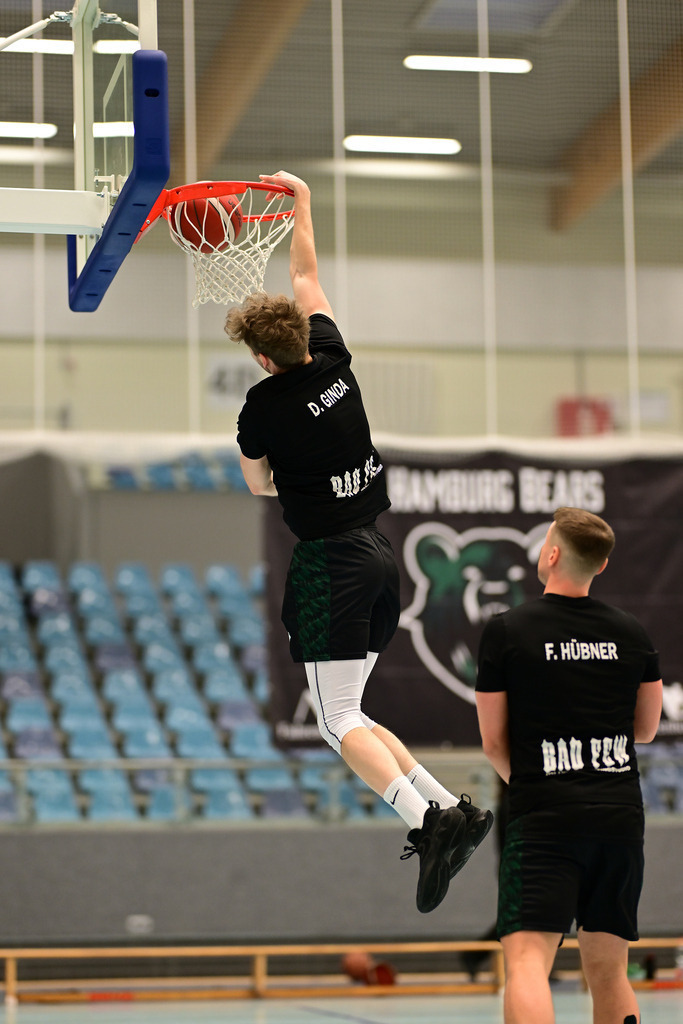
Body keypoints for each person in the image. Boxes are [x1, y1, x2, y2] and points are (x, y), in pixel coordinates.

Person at [226, 169, 493, 914]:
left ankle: (426, 820)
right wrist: (302, 203)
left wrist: (287, 477)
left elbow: (257, 485)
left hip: (330, 564)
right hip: (379, 554)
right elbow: (306, 272)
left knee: (335, 720)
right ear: (301, 340)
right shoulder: (333, 358)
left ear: (259, 357)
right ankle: (452, 809)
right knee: (357, 711)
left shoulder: (260, 407)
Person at [475, 506, 663, 1024]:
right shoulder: (633, 633)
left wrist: (536, 784)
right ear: (600, 566)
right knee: (609, 971)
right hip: (619, 818)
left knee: (528, 962)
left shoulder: (508, 630)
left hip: (545, 819)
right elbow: (645, 730)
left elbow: (493, 741)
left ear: (553, 554)